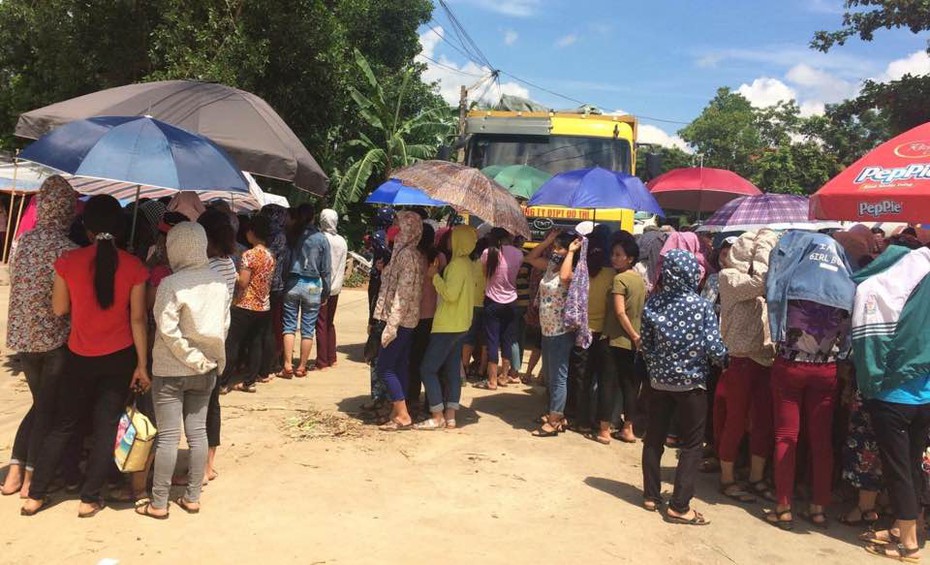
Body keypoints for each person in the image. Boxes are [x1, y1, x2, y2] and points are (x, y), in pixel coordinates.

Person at [23, 195, 150, 518]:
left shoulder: (67, 261)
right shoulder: (134, 266)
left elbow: (59, 308)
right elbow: (137, 319)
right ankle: (89, 498)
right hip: (119, 357)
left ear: (87, 228)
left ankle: (35, 495)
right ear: (120, 230)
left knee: (64, 424)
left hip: (78, 355)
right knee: (106, 424)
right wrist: (142, 365)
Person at [137, 222, 230, 519]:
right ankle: (192, 497)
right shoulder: (219, 283)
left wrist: (189, 357)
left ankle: (159, 503)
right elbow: (223, 326)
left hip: (171, 369)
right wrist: (205, 360)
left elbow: (166, 330)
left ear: (175, 248)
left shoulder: (170, 284)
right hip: (206, 369)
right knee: (197, 433)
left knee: (167, 437)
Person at [764, 231, 855, 530]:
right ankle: (818, 508)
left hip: (790, 367)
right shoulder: (844, 287)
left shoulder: (792, 282)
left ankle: (783, 506)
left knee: (785, 436)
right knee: (821, 441)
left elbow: (772, 291)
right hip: (826, 370)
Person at [850, 244, 930, 561]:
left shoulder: (881, 290)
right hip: (925, 395)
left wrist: (870, 384)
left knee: (898, 470)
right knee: (912, 465)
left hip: (892, 397)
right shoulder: (921, 296)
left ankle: (908, 545)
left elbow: (870, 344)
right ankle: (909, 527)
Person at [639, 249, 727, 525]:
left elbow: (647, 346)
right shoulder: (700, 306)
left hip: (659, 384)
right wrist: (725, 361)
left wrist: (657, 370)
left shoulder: (653, 303)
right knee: (691, 445)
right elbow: (714, 347)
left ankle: (652, 496)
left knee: (654, 438)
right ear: (692, 273)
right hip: (691, 386)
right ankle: (679, 505)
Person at [3, 176, 77, 498]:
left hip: (23, 338)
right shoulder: (69, 250)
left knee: (40, 403)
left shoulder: (24, 242)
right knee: (48, 408)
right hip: (55, 340)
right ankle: (31, 478)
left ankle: (15, 471)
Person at [714, 229, 778, 504]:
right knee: (736, 420)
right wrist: (764, 244)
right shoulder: (728, 277)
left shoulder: (763, 280)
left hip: (764, 358)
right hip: (740, 359)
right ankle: (727, 478)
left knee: (762, 422)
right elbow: (759, 283)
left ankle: (756, 476)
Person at [414, 226, 477, 430]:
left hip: (448, 325)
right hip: (461, 324)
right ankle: (450, 416)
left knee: (427, 369)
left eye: (452, 238)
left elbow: (450, 295)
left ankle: (437, 414)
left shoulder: (457, 265)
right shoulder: (467, 264)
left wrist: (434, 276)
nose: (449, 241)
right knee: (451, 371)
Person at [524, 231, 581, 437]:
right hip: (547, 329)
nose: (555, 251)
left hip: (560, 331)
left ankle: (555, 419)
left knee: (558, 377)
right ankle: (555, 413)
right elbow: (530, 258)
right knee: (549, 375)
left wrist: (571, 253)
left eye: (559, 247)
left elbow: (565, 277)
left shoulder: (573, 272)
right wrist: (547, 241)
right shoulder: (549, 266)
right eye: (554, 247)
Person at [197, 209, 238, 482]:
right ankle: (208, 465)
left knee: (198, 408)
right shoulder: (229, 264)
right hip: (220, 339)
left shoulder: (207, 268)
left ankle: (200, 468)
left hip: (203, 343)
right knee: (212, 405)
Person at [373, 211, 423, 430]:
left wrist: (391, 326)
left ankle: (403, 414)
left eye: (398, 225)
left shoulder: (408, 256)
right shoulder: (402, 252)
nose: (394, 228)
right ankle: (398, 410)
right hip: (403, 320)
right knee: (400, 365)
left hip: (400, 321)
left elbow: (403, 295)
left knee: (384, 367)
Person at [596, 233, 644, 445]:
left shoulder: (620, 279)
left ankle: (604, 429)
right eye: (613, 254)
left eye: (618, 255)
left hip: (615, 338)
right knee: (629, 386)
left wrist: (632, 334)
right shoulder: (640, 280)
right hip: (633, 343)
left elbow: (620, 312)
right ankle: (628, 428)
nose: (614, 258)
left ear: (630, 258)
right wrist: (636, 337)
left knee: (608, 384)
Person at [219, 215, 275, 393]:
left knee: (233, 343)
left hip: (245, 304)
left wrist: (232, 273)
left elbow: (243, 282)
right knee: (256, 342)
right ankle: (250, 381)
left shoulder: (249, 255)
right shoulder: (270, 256)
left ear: (252, 233)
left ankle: (223, 382)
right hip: (263, 305)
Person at [567, 224, 614, 432]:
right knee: (602, 380)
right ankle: (600, 421)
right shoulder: (614, 274)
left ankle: (580, 418)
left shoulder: (582, 270)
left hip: (582, 332)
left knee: (581, 377)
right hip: (604, 334)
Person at [282, 204, 331, 378]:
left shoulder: (291, 235)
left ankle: (287, 364)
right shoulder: (321, 238)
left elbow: (285, 260)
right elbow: (326, 269)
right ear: (313, 217)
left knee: (289, 326)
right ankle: (301, 366)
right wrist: (326, 291)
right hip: (312, 285)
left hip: (293, 282)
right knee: (307, 328)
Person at [476, 228, 523, 389]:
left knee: (492, 341)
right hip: (511, 301)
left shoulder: (487, 253)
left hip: (492, 301)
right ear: (509, 236)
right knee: (508, 340)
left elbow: (485, 275)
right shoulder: (518, 254)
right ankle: (504, 376)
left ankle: (492, 380)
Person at [409, 223, 442, 408]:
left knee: (414, 359)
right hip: (435, 316)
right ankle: (432, 400)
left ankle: (412, 397)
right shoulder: (440, 258)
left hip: (416, 315)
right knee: (431, 361)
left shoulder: (414, 256)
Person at [261, 204, 291, 379]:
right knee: (273, 325)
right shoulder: (281, 236)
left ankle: (269, 361)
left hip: (266, 286)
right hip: (277, 286)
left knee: (268, 326)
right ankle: (273, 361)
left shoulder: (268, 235)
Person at [315, 208, 347, 371]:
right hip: (336, 287)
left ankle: (322, 361)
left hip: (321, 287)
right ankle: (331, 357)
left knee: (320, 322)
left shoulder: (320, 239)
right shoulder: (342, 241)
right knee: (329, 323)